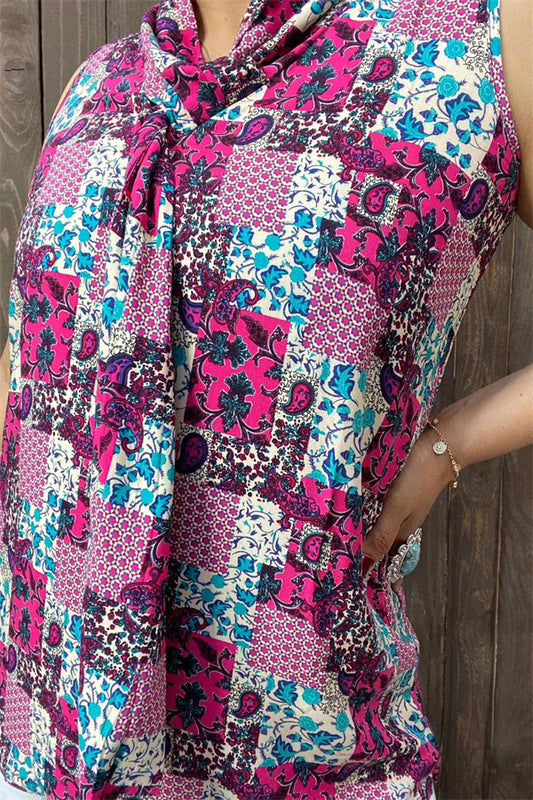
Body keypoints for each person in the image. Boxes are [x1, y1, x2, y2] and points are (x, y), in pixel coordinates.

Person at [0, 0, 531, 798]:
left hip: (292, 735)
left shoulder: (470, 41)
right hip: (47, 729)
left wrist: (447, 442)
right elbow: (30, 367)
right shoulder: (100, 84)